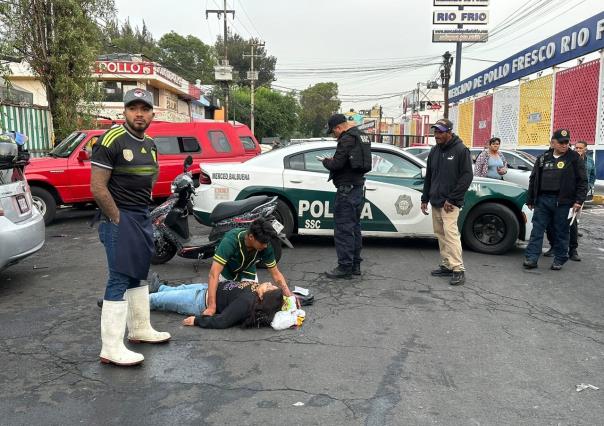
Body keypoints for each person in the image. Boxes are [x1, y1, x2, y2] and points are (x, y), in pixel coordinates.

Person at [91, 88, 171, 367]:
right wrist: (117, 217)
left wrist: (143, 210)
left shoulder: (149, 143)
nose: (139, 114)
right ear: (124, 111)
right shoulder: (111, 139)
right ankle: (111, 347)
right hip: (119, 218)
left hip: (140, 216)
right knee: (119, 277)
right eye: (133, 108)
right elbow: (98, 187)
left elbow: (153, 175)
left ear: (152, 113)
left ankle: (139, 329)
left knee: (138, 273)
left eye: (145, 109)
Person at [523, 129, 587, 271]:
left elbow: (583, 181)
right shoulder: (543, 158)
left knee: (562, 231)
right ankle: (531, 258)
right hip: (543, 200)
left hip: (563, 202)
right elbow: (533, 179)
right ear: (553, 143)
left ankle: (560, 258)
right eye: (561, 142)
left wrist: (579, 201)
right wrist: (531, 199)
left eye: (567, 142)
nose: (565, 145)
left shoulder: (574, 158)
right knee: (537, 230)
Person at [202, 218, 293, 317]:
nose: (266, 246)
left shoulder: (265, 244)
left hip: (247, 269)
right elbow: (213, 274)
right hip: (226, 270)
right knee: (222, 301)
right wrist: (211, 307)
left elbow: (276, 273)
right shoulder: (231, 240)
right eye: (263, 243)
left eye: (267, 243)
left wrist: (288, 295)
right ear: (251, 237)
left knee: (252, 300)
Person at [421, 118, 473, 286]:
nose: (437, 135)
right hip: (436, 201)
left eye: (440, 132)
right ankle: (446, 265)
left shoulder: (461, 150)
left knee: (451, 236)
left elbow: (466, 177)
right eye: (435, 132)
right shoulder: (435, 151)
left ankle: (458, 269)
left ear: (449, 133)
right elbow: (429, 176)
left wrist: (453, 199)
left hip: (450, 203)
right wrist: (425, 198)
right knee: (441, 235)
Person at [320, 113, 369, 279]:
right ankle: (355, 265)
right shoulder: (362, 136)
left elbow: (337, 164)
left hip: (346, 191)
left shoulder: (346, 138)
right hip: (357, 187)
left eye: (333, 132)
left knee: (343, 230)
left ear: (338, 127)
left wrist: (326, 161)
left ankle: (344, 267)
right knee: (354, 228)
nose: (334, 135)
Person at [147, 275, 284, 329]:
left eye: (271, 288)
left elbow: (223, 320)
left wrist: (197, 320)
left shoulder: (246, 303)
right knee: (173, 290)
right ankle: (159, 288)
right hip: (207, 288)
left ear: (265, 298)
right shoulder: (258, 291)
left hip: (198, 301)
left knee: (155, 300)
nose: (270, 284)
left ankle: (131, 301)